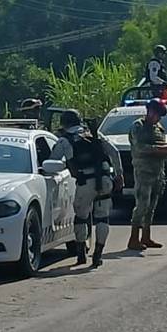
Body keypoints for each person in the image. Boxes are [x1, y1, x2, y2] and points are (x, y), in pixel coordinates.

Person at [52, 110, 123, 268]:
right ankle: (97, 254)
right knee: (102, 217)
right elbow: (114, 152)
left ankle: (81, 253)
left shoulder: (65, 140)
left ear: (64, 123)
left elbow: (53, 161)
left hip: (84, 182)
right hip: (104, 179)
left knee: (81, 217)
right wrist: (119, 175)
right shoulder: (94, 134)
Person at [128, 98, 167, 251]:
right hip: (143, 171)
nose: (158, 118)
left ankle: (146, 236)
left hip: (157, 171)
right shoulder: (138, 126)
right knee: (142, 205)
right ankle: (134, 238)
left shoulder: (159, 128)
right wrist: (159, 149)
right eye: (157, 114)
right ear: (150, 111)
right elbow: (140, 147)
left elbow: (160, 146)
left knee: (151, 207)